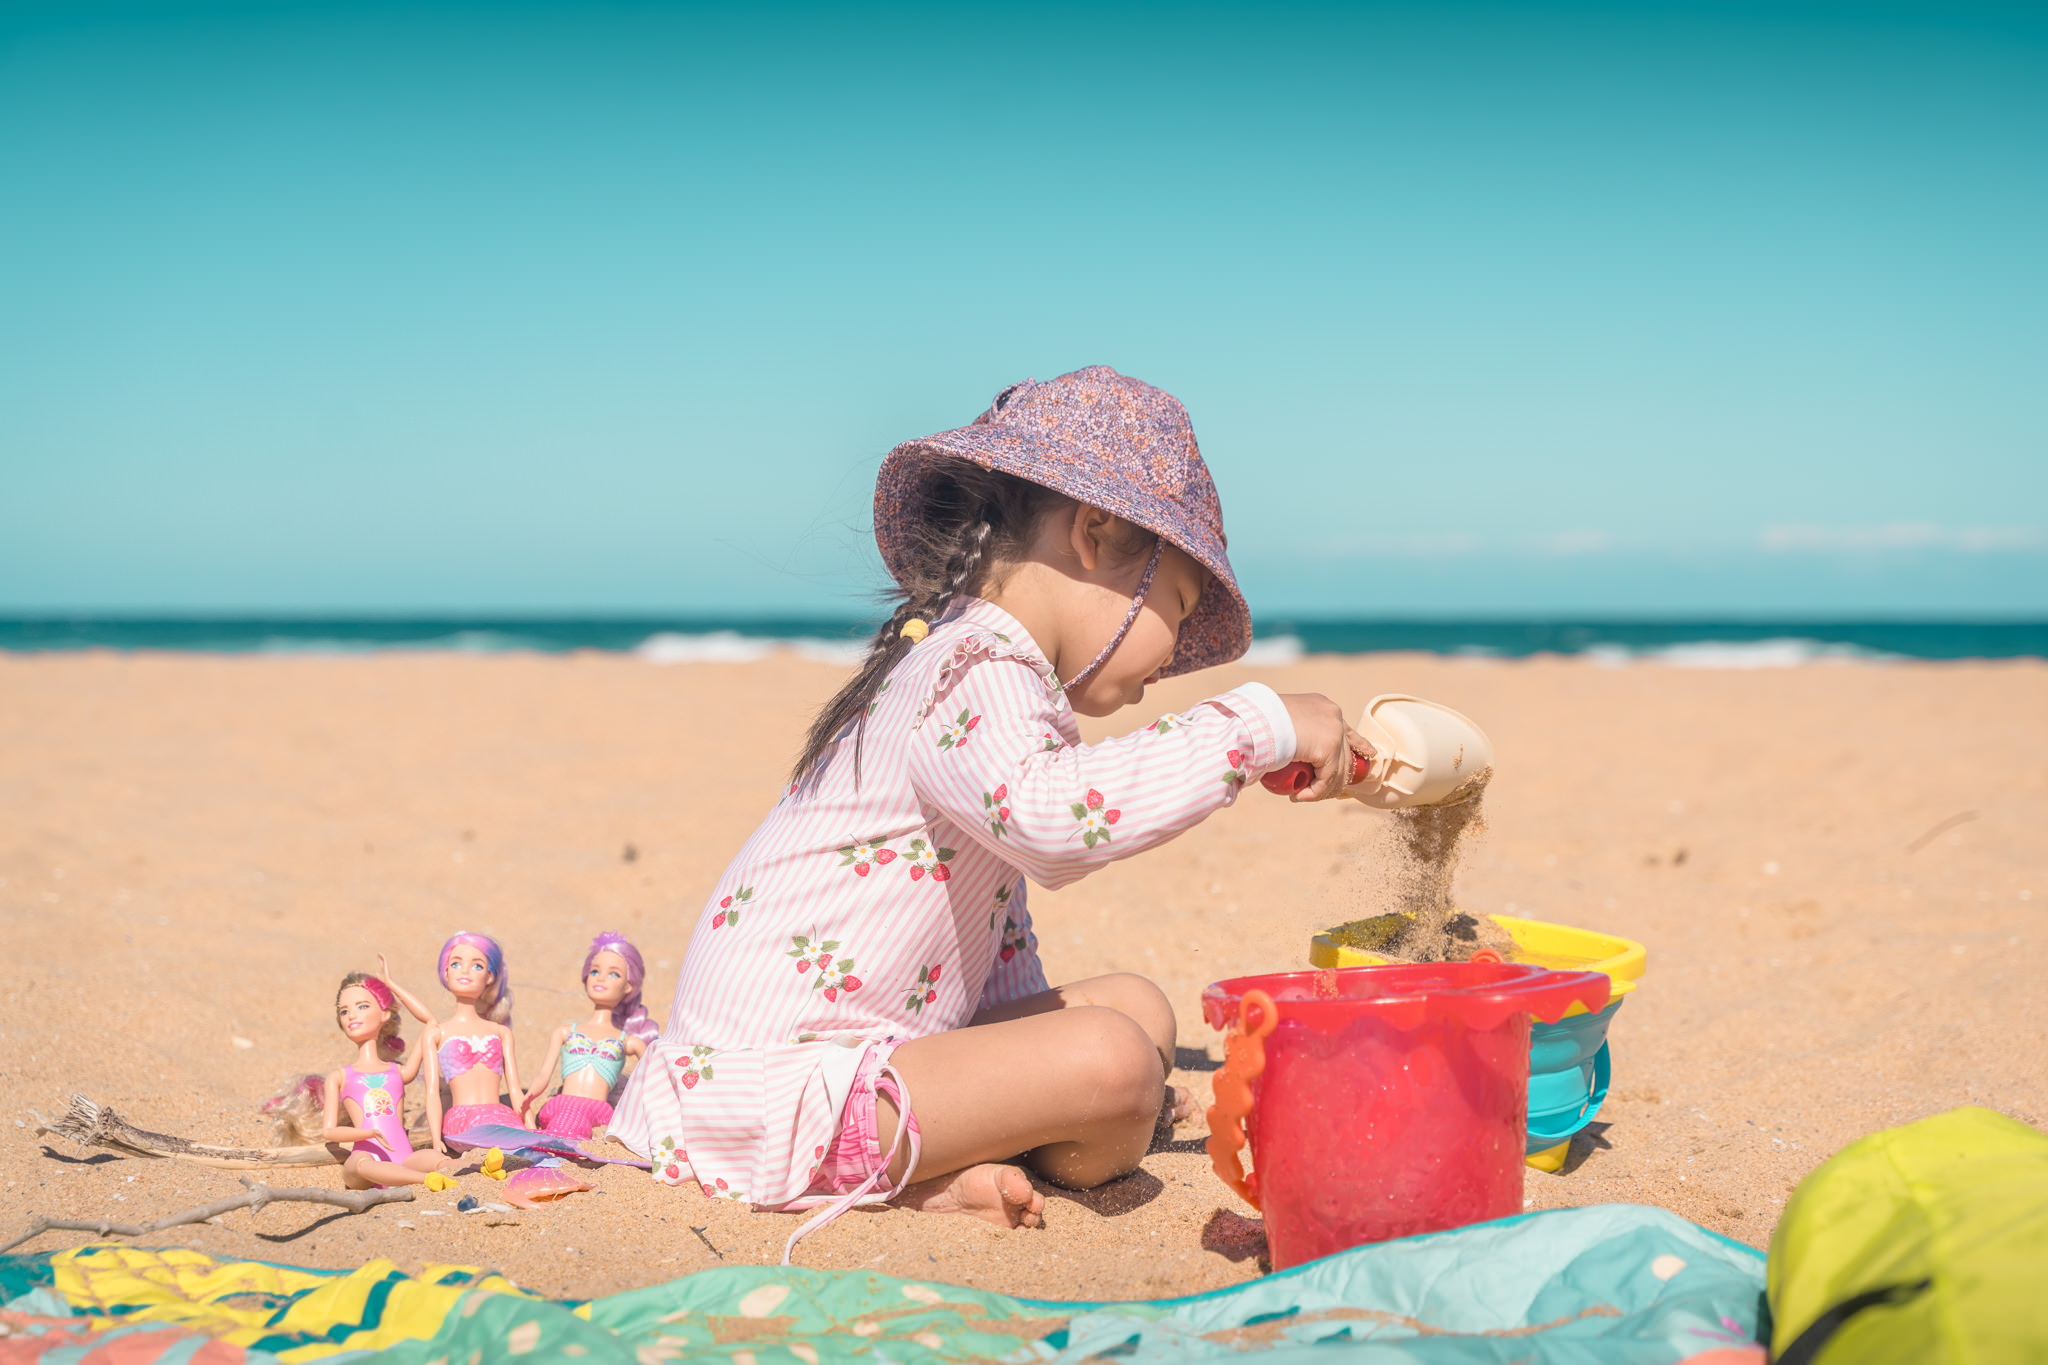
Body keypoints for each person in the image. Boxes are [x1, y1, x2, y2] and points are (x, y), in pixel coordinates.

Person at [610, 366, 1362, 1258]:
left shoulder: (976, 663)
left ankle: (945, 1150)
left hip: (874, 1043)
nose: (1171, 658)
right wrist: (1256, 725)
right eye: (1179, 606)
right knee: (1117, 1064)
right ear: (1095, 532)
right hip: (776, 1080)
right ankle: (914, 1162)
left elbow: (993, 934)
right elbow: (1054, 823)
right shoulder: (974, 668)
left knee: (1138, 1008)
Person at [519, 931, 658, 1137]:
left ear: (628, 986)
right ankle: (555, 1140)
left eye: (614, 974)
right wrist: (528, 1097)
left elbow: (653, 1082)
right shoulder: (565, 1032)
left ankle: (558, 1141)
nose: (600, 978)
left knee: (573, 1120)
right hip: (561, 1103)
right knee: (565, 1115)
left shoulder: (629, 1042)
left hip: (597, 1110)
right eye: (594, 971)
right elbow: (543, 1075)